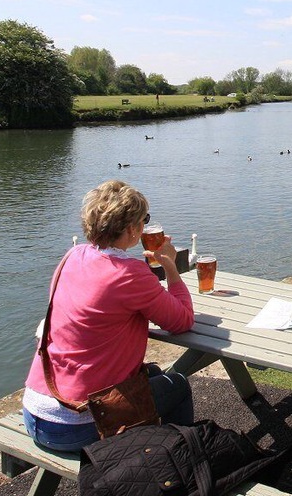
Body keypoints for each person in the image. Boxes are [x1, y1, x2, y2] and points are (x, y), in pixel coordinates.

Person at [22, 180, 195, 453]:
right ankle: (179, 464)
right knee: (178, 385)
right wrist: (171, 267)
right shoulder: (129, 273)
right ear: (131, 229)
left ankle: (148, 452)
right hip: (75, 425)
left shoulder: (72, 256)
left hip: (34, 413)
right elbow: (182, 320)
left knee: (151, 374)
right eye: (144, 219)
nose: (144, 225)